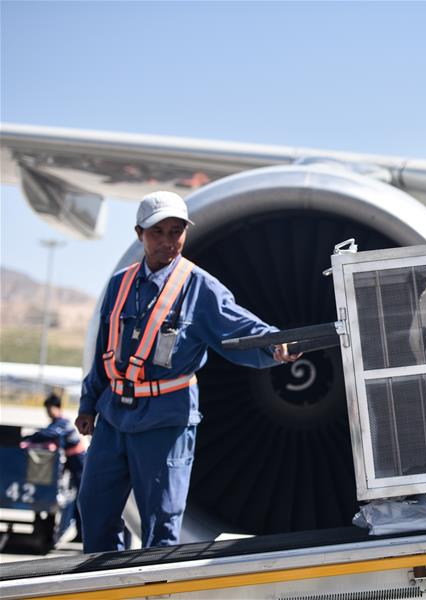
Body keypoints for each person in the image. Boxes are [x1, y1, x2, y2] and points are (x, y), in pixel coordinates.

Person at [76, 191, 301, 553]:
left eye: (176, 231)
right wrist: (88, 404)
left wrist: (276, 345)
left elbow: (241, 328)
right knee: (93, 508)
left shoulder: (200, 288)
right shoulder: (119, 284)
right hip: (115, 414)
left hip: (166, 419)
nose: (167, 241)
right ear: (139, 234)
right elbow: (106, 351)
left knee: (162, 523)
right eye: (157, 232)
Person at [24, 392, 87, 541]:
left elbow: (48, 435)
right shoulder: (56, 423)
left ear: (56, 408)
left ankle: (81, 533)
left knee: (81, 499)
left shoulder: (62, 423)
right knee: (77, 499)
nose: (48, 413)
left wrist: (27, 438)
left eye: (49, 409)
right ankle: (79, 533)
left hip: (80, 464)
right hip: (73, 465)